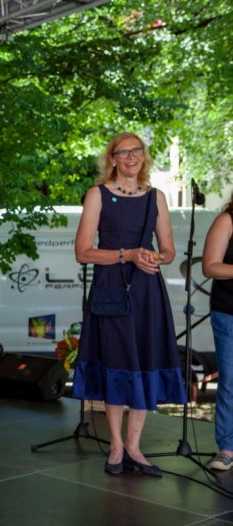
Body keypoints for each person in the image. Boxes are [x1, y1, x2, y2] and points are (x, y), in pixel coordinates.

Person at [71, 132, 186, 477]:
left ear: (144, 156)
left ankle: (135, 447)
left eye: (136, 151)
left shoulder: (157, 197)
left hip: (147, 290)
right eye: (123, 152)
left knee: (144, 363)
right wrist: (127, 254)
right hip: (110, 287)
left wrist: (156, 257)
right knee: (116, 362)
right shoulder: (98, 194)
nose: (131, 157)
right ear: (112, 159)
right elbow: (82, 252)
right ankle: (116, 447)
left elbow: (168, 249)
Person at [202, 192, 233, 471]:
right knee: (231, 383)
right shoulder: (227, 220)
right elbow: (210, 266)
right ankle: (227, 448)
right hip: (230, 313)